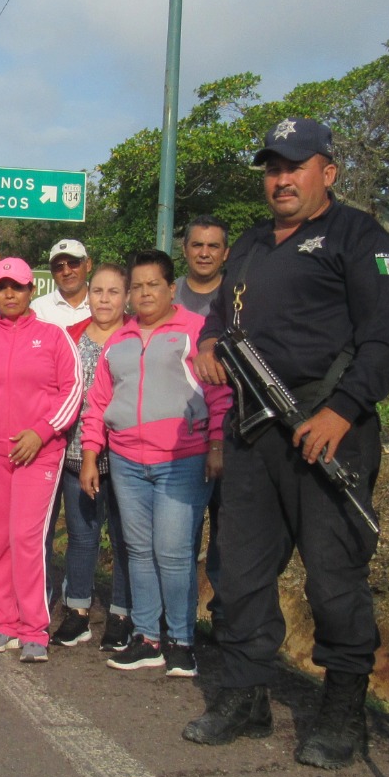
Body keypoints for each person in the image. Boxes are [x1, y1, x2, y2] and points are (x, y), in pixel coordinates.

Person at [185, 119, 389, 768]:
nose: (281, 179)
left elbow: (387, 338)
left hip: (327, 433)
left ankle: (343, 714)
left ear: (327, 172)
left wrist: (343, 411)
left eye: (296, 166)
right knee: (242, 574)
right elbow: (223, 314)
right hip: (254, 433)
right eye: (272, 168)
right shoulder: (253, 243)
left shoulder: (357, 237)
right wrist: (207, 342)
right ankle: (243, 699)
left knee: (335, 581)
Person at [80, 250, 232, 678]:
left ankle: (181, 642)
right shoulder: (119, 340)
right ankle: (146, 638)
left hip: (181, 460)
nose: (145, 293)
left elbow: (219, 393)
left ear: (171, 288)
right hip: (127, 460)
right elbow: (99, 403)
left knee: (173, 552)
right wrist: (92, 453)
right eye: (139, 286)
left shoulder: (196, 332)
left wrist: (216, 444)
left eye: (154, 285)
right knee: (139, 551)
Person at [0, 257, 82, 663]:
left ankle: (34, 629)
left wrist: (42, 432)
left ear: (30, 291)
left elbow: (73, 391)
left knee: (26, 539)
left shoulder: (54, 336)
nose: (10, 294)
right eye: (2, 287)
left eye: (18, 287)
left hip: (38, 453)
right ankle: (5, 621)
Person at [50, 263, 134, 652]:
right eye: (97, 291)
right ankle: (78, 611)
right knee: (83, 537)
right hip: (76, 453)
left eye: (112, 292)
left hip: (126, 456)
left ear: (126, 296)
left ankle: (121, 614)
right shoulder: (71, 337)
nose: (103, 299)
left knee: (123, 538)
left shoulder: (136, 339)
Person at [178, 214, 231, 630]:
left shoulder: (239, 295)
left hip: (231, 425)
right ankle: (180, 614)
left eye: (213, 246)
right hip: (178, 433)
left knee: (228, 528)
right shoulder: (169, 294)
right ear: (185, 249)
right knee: (184, 531)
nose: (205, 252)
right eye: (198, 244)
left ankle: (224, 617)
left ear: (225, 253)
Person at [30, 238, 93, 329]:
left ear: (88, 265)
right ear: (52, 271)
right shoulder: (38, 309)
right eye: (58, 266)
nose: (66, 272)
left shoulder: (105, 304)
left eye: (73, 263)